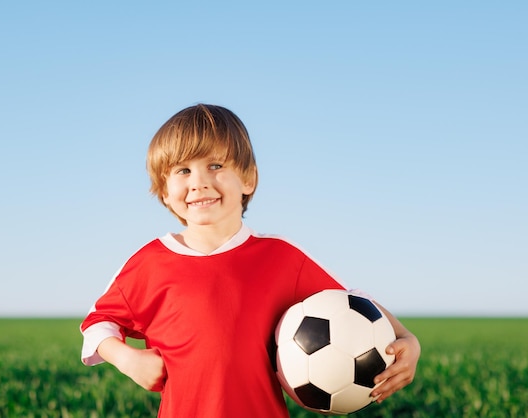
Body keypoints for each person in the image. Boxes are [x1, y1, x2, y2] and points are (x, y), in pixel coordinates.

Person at [80, 103, 420, 417]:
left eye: (215, 166)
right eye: (182, 171)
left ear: (248, 179)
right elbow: (98, 322)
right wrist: (127, 360)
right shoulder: (150, 263)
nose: (199, 183)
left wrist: (408, 340)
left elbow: (351, 303)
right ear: (164, 192)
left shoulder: (281, 256)